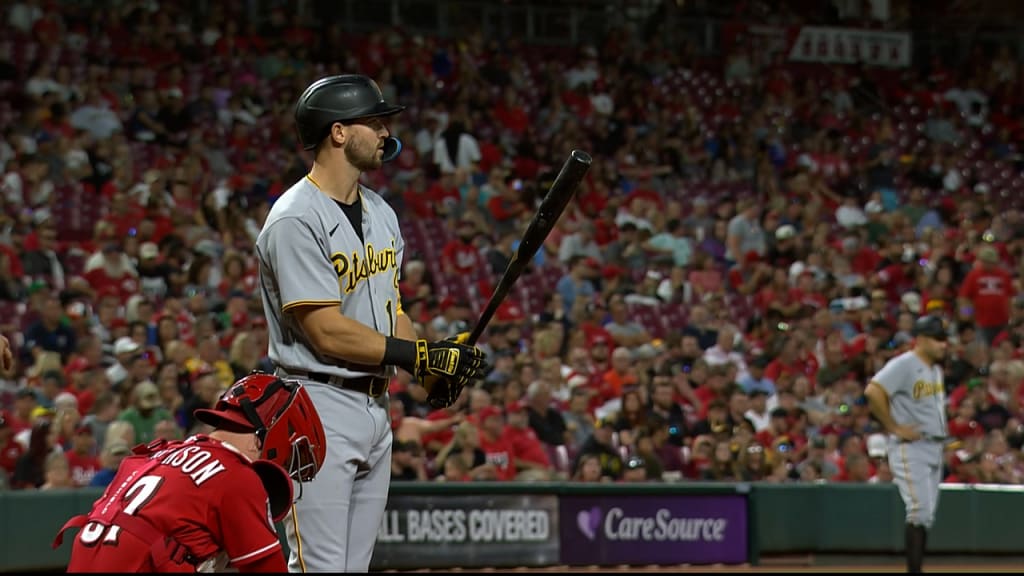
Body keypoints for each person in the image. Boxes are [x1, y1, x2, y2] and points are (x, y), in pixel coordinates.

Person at [257, 74, 489, 572]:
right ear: (338, 132)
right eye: (375, 121)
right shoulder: (295, 218)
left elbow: (391, 312)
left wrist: (429, 366)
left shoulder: (381, 211)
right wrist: (417, 356)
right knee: (319, 569)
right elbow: (326, 330)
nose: (386, 132)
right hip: (314, 404)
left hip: (374, 405)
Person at [52, 373, 327, 573]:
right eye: (286, 457)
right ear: (262, 439)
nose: (283, 467)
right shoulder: (237, 476)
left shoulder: (153, 454)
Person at [864, 315, 949, 574]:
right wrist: (893, 427)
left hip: (934, 447)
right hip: (910, 447)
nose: (943, 344)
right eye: (937, 339)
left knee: (926, 516)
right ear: (921, 339)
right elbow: (873, 391)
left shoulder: (935, 369)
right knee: (919, 511)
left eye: (944, 339)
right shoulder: (904, 364)